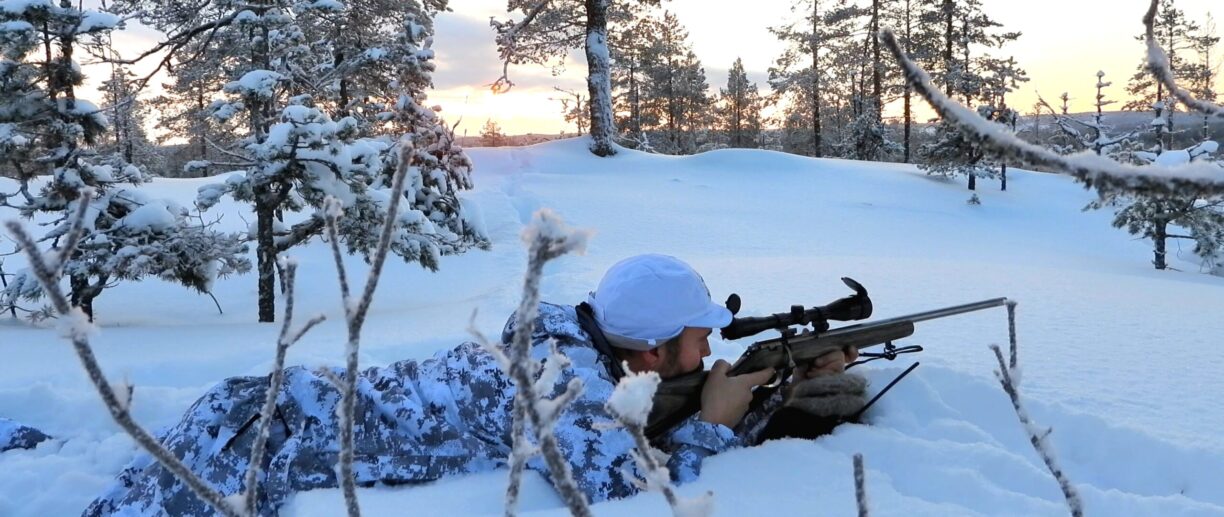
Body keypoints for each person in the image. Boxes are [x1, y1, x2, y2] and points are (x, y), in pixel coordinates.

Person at [85, 254, 864, 516]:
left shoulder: (574, 336)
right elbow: (615, 482)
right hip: (257, 441)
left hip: (275, 400)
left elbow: (633, 407)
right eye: (698, 334)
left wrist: (784, 375)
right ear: (653, 349)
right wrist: (720, 421)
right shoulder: (557, 381)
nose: (710, 343)